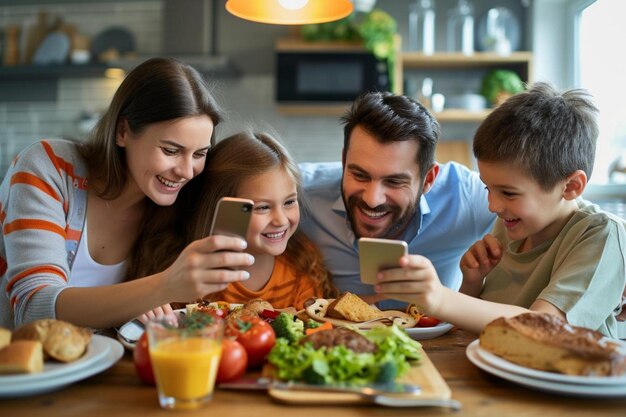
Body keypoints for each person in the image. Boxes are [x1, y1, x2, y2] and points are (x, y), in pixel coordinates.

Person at [0, 57, 255, 330]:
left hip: (107, 367)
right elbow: (33, 309)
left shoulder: (177, 207)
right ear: (123, 132)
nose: (186, 171)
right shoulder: (49, 166)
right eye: (170, 150)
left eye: (199, 154)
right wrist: (163, 286)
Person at [375, 82, 626, 338]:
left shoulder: (599, 235)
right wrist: (472, 283)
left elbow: (548, 329)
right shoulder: (513, 226)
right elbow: (482, 326)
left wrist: (440, 298)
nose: (493, 206)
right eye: (488, 189)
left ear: (571, 186)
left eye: (508, 193)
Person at [299, 91, 496, 309]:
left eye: (394, 182)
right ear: (344, 160)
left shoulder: (466, 195)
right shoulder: (300, 194)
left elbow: (534, 210)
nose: (373, 200)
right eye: (360, 175)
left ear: (428, 179)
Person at [141, 131, 336, 310]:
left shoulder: (302, 264)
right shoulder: (189, 270)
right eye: (262, 207)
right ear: (223, 210)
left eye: (289, 202)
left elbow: (309, 329)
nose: (281, 220)